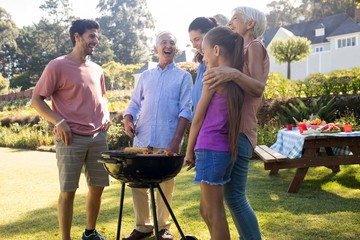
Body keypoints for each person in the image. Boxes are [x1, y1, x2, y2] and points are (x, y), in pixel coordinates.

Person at [31, 19, 110, 240]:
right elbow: (36, 100)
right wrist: (58, 121)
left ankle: (90, 233)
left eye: (97, 36)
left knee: (98, 186)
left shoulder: (97, 69)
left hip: (97, 137)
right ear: (77, 37)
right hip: (70, 138)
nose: (96, 40)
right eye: (91, 36)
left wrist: (105, 114)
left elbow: (102, 97)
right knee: (68, 191)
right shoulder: (57, 65)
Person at [202, 7, 269, 240]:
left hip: (242, 131)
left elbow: (259, 87)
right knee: (232, 197)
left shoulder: (255, 46)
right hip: (235, 130)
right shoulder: (242, 51)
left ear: (250, 24)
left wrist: (232, 73)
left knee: (236, 198)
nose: (230, 22)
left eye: (235, 19)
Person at [122, 31, 193, 240]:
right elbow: (134, 104)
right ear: (155, 49)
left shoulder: (183, 77)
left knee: (165, 185)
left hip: (167, 139)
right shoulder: (146, 76)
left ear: (176, 50)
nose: (168, 45)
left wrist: (177, 140)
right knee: (138, 184)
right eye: (164, 42)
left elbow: (186, 110)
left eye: (172, 42)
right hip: (142, 139)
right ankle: (143, 227)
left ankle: (162, 228)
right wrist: (128, 119)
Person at [184, 26, 245, 240]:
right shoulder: (236, 78)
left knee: (215, 213)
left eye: (205, 49)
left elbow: (197, 118)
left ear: (217, 50)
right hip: (222, 151)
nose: (203, 54)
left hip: (210, 148)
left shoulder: (212, 77)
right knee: (205, 209)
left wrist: (188, 151)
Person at [188, 17, 219, 115]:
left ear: (211, 34)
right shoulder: (202, 67)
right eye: (191, 41)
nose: (194, 45)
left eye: (196, 39)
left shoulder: (219, 67)